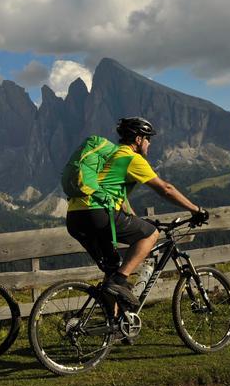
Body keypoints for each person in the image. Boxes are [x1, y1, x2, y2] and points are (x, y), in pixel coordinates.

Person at [66, 117, 209, 315]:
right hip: (97, 214)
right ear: (139, 139)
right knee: (150, 235)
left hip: (75, 217)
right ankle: (120, 281)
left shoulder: (111, 155)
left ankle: (115, 325)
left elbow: (118, 197)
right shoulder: (131, 158)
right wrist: (196, 210)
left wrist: (135, 219)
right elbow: (166, 189)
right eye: (148, 139)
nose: (149, 144)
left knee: (112, 269)